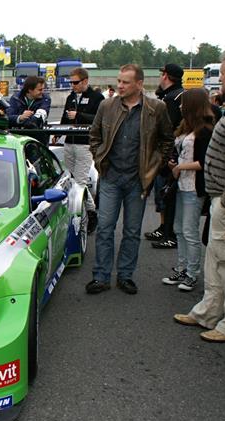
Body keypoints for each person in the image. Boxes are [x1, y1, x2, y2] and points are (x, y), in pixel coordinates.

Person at [86, 64, 174, 295]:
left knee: (132, 231)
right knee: (105, 228)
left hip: (138, 180)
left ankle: (125, 276)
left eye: (125, 82)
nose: (120, 86)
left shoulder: (156, 108)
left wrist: (156, 166)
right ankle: (101, 277)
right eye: (119, 81)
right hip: (110, 178)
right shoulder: (106, 106)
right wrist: (98, 159)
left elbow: (167, 139)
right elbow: (94, 136)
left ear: (139, 84)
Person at [174, 48, 225, 342]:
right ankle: (209, 312)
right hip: (219, 198)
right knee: (215, 259)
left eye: (223, 73)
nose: (220, 79)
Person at [161, 88, 214, 291]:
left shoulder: (205, 131)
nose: (180, 106)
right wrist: (174, 164)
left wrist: (180, 167)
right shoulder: (186, 127)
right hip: (181, 185)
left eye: (184, 103)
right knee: (179, 229)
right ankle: (182, 268)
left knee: (189, 231)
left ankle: (192, 273)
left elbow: (204, 162)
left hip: (193, 187)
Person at [55, 68, 104, 233]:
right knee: (71, 179)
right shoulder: (70, 97)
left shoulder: (97, 97)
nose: (73, 85)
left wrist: (79, 115)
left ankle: (90, 213)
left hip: (85, 144)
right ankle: (88, 211)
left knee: (80, 182)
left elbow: (100, 119)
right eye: (71, 82)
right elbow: (64, 117)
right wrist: (57, 133)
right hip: (70, 142)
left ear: (85, 81)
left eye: (75, 82)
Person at [146, 64, 185, 249]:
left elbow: (166, 128)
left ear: (166, 76)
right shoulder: (180, 94)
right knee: (165, 194)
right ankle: (164, 228)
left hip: (168, 152)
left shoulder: (170, 98)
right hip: (177, 150)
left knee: (165, 194)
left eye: (162, 74)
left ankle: (169, 232)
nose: (160, 77)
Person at [6, 76, 51, 144]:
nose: (42, 92)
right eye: (40, 90)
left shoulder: (46, 99)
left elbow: (38, 120)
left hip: (38, 140)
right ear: (30, 90)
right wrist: (20, 117)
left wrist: (21, 119)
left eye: (43, 89)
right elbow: (8, 118)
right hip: (18, 140)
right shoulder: (15, 98)